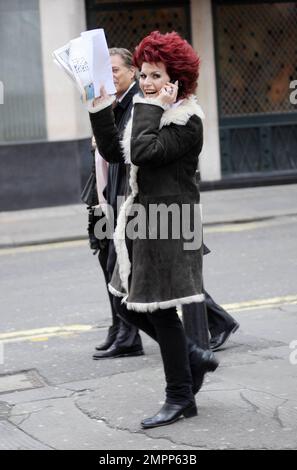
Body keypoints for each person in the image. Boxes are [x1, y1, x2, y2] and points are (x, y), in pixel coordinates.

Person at [88, 31, 219, 429]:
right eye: (143, 75)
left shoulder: (187, 121)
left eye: (155, 76)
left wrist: (148, 108)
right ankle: (193, 356)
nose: (146, 83)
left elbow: (143, 152)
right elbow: (116, 154)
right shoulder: (148, 108)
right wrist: (99, 109)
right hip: (141, 222)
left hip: (171, 224)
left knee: (159, 311)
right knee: (129, 304)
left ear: (176, 79)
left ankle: (180, 396)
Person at [81, 48, 144, 360]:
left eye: (115, 70)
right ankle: (120, 329)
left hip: (127, 199)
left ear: (132, 71)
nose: (111, 77)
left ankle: (128, 333)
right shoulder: (115, 101)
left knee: (129, 269)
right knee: (110, 262)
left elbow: (121, 151)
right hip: (105, 196)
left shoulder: (134, 101)